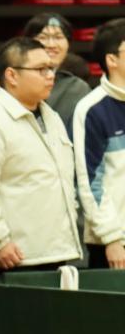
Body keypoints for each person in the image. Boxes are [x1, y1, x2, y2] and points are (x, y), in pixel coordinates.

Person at [0, 37, 81, 276]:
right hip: (9, 259)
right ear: (12, 75)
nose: (50, 76)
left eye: (51, 68)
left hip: (54, 252)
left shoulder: (51, 117)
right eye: (41, 69)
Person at [73, 19, 125, 269]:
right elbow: (89, 181)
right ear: (112, 59)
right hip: (114, 243)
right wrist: (111, 238)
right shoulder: (91, 109)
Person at [24, 12, 92, 128]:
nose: (51, 44)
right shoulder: (17, 81)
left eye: (58, 37)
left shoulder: (79, 88)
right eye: (43, 37)